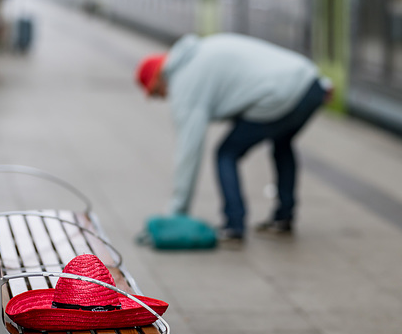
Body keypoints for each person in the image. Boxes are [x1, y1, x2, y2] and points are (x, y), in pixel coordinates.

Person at [135, 33, 332, 242]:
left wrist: (177, 212)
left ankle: (234, 226)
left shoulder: (184, 83)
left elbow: (189, 152)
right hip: (311, 84)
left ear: (159, 78)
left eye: (157, 93)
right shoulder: (199, 51)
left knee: (226, 153)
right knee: (282, 141)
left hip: (280, 94)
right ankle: (283, 217)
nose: (163, 98)